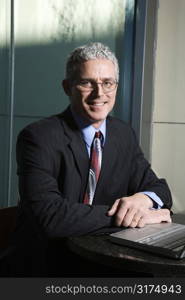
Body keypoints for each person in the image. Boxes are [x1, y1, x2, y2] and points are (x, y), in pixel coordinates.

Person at [14, 42, 172, 276]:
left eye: (107, 83)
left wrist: (143, 200)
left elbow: (160, 189)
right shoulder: (38, 137)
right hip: (48, 264)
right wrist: (137, 217)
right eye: (87, 83)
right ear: (67, 87)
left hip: (104, 260)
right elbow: (50, 216)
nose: (100, 94)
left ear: (116, 87)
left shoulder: (123, 134)